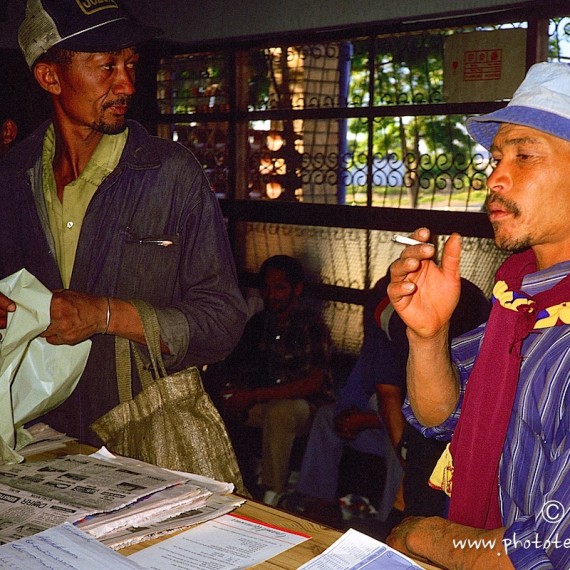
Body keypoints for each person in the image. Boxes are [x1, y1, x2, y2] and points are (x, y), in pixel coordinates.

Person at [0, 0, 248, 449]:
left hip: (141, 436)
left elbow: (223, 322)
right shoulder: (14, 174)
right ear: (50, 77)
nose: (127, 84)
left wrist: (105, 315)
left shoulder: (171, 173)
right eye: (106, 66)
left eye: (131, 63)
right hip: (35, 431)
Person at [386, 61, 570, 569]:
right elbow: (440, 418)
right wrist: (428, 335)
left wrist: (428, 538)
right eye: (495, 158)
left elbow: (554, 548)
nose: (495, 177)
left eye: (524, 156)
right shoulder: (521, 294)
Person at [288, 271, 490, 527]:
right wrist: (357, 417)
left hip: (455, 424)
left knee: (410, 443)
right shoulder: (386, 310)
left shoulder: (469, 312)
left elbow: (422, 414)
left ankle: (392, 523)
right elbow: (386, 394)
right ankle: (319, 504)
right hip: (396, 413)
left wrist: (402, 450)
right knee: (327, 418)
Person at [210, 255, 333, 506]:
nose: (271, 294)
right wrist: (234, 392)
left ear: (296, 289)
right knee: (218, 407)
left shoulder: (311, 325)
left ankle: (272, 494)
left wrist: (254, 396)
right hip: (266, 402)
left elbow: (313, 383)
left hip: (308, 409)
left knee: (279, 412)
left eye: (280, 288)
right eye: (266, 287)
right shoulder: (259, 323)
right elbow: (241, 366)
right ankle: (229, 482)